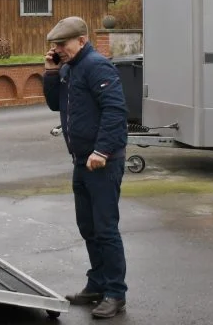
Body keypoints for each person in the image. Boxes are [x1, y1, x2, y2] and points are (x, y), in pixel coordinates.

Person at [42, 16, 129, 319]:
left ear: (81, 40)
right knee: (88, 227)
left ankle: (116, 293)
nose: (58, 50)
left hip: (102, 162)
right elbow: (56, 105)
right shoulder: (69, 69)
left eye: (62, 45)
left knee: (105, 229)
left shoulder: (97, 66)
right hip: (81, 162)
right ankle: (97, 284)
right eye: (55, 46)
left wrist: (102, 150)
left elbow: (115, 111)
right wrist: (52, 72)